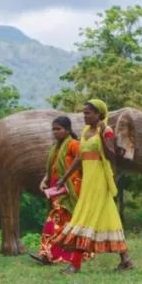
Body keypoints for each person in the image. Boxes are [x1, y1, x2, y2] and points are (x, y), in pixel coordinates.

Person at [54, 99, 134, 273]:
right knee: (109, 216)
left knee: (85, 216)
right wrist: (64, 177)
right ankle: (126, 259)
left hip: (100, 179)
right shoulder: (84, 132)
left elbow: (111, 157)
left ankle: (75, 264)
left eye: (88, 113)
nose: (84, 116)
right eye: (84, 113)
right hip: (88, 180)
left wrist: (105, 136)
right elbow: (79, 158)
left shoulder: (107, 131)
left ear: (99, 114)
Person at [30, 115, 83, 268]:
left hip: (69, 188)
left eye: (58, 129)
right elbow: (52, 167)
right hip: (56, 187)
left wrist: (70, 181)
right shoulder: (56, 147)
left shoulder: (74, 144)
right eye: (53, 129)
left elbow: (81, 163)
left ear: (67, 130)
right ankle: (52, 254)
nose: (55, 132)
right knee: (61, 222)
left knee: (54, 220)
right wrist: (45, 179)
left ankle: (47, 254)